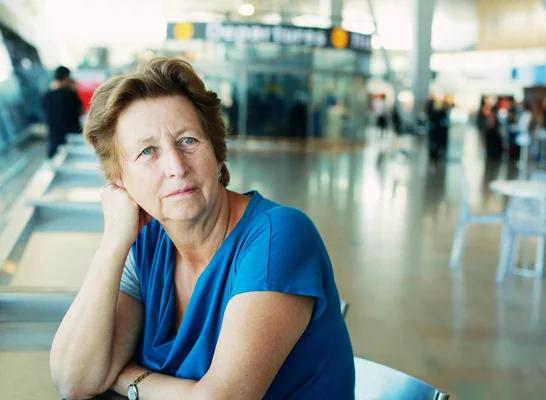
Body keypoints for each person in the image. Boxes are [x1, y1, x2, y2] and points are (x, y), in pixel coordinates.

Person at [49, 58, 354, 400]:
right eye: (148, 151)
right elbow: (73, 380)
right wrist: (113, 244)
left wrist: (126, 378)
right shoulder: (146, 244)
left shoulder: (278, 236)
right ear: (120, 181)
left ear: (217, 151)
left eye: (188, 141)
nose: (176, 167)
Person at [41, 66, 83, 158]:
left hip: (54, 142)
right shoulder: (71, 94)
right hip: (73, 139)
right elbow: (81, 111)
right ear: (66, 77)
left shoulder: (45, 96)